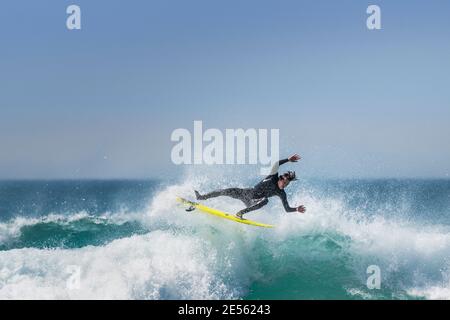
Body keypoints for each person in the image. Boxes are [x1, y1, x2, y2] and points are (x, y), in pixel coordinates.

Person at [195, 154, 306, 219]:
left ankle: (240, 213)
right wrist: (288, 160)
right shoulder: (273, 176)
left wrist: (296, 209)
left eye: (288, 184)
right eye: (286, 182)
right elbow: (276, 164)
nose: (286, 185)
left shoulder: (281, 193)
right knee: (224, 191)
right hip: (246, 193)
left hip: (253, 202)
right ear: (281, 178)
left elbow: (287, 209)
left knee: (265, 200)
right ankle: (201, 197)